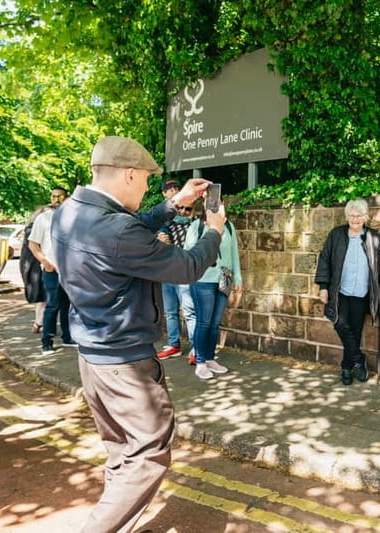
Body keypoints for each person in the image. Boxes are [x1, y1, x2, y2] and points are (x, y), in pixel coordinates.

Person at [50, 135, 225, 533]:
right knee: (148, 452)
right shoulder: (114, 231)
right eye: (145, 179)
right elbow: (186, 267)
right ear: (129, 174)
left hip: (91, 356)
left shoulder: (70, 212)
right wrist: (213, 230)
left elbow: (125, 230)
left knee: (121, 452)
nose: (147, 186)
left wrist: (174, 204)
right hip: (125, 364)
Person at [314, 198, 380, 385]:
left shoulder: (373, 237)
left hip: (362, 294)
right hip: (340, 292)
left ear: (365, 217)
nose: (355, 219)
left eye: (359, 216)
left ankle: (346, 368)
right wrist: (323, 287)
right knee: (340, 324)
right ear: (347, 216)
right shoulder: (336, 235)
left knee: (354, 332)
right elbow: (325, 260)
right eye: (352, 215)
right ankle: (359, 359)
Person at [183, 202, 243, 379]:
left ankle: (209, 358)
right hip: (202, 279)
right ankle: (200, 362)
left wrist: (238, 278)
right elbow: (189, 252)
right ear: (204, 205)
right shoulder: (197, 225)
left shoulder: (229, 226)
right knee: (204, 322)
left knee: (215, 322)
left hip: (224, 278)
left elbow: (234, 253)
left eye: (219, 203)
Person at [29, 187, 73, 355]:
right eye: (54, 196)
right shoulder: (43, 218)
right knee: (52, 305)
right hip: (51, 269)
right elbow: (33, 244)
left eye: (60, 197)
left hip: (68, 270)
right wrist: (45, 262)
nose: (56, 200)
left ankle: (68, 338)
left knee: (67, 305)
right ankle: (46, 342)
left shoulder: (72, 218)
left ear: (66, 199)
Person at [155, 176, 195, 360]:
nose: (173, 191)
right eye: (169, 189)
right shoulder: (160, 216)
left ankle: (196, 347)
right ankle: (173, 345)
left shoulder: (188, 210)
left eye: (176, 187)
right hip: (167, 270)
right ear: (164, 193)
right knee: (170, 311)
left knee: (189, 311)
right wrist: (159, 239)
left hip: (183, 269)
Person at [19, 205, 50, 333]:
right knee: (43, 295)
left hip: (30, 264)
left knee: (42, 297)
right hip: (37, 265)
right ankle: (39, 323)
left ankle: (39, 322)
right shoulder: (34, 230)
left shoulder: (29, 229)